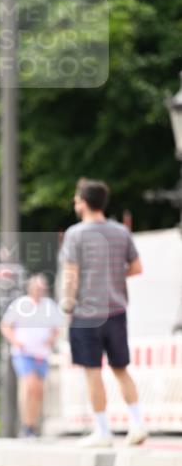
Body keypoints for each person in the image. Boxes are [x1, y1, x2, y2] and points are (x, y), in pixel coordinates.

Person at [59, 177, 147, 447]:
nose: (75, 203)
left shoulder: (76, 234)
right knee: (121, 368)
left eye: (76, 199)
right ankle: (137, 424)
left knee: (92, 371)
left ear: (84, 203)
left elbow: (71, 274)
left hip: (87, 313)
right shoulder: (121, 232)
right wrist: (112, 277)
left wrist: (67, 303)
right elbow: (137, 268)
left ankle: (103, 431)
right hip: (116, 309)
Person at [0, 274, 62, 438]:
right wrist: (15, 341)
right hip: (23, 353)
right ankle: (26, 425)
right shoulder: (20, 305)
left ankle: (32, 425)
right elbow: (5, 326)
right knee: (29, 386)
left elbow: (57, 328)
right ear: (30, 289)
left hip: (41, 353)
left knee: (38, 391)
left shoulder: (49, 306)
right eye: (36, 288)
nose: (39, 291)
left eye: (42, 288)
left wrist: (50, 340)